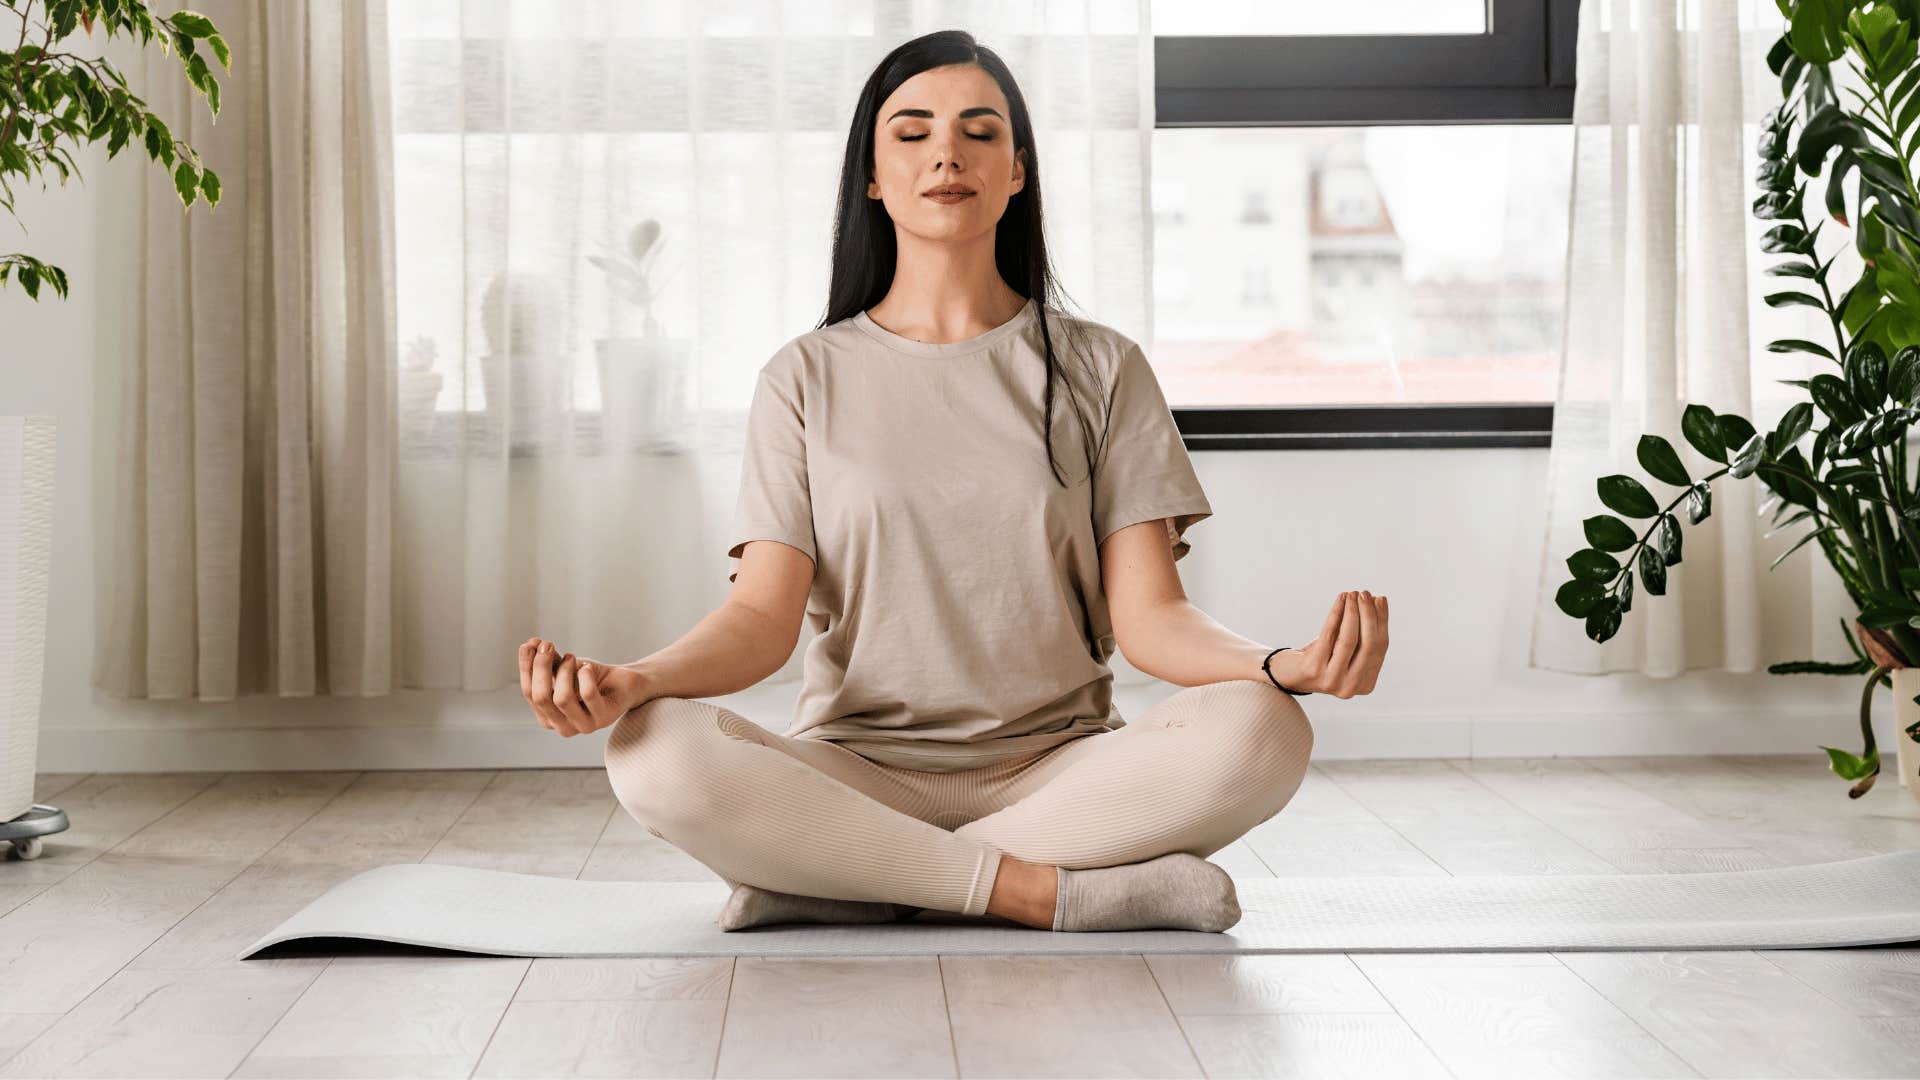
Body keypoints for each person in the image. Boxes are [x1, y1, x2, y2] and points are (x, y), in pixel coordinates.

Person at [518, 29, 1390, 934]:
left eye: (980, 131)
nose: (946, 153)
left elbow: (1151, 621)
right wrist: (632, 681)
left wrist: (1280, 667)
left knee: (1266, 729)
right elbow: (758, 623)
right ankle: (1047, 892)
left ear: (1017, 171)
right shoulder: (803, 377)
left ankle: (840, 879)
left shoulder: (1101, 367)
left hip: (1061, 769)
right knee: (654, 749)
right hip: (857, 770)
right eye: (912, 132)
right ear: (871, 175)